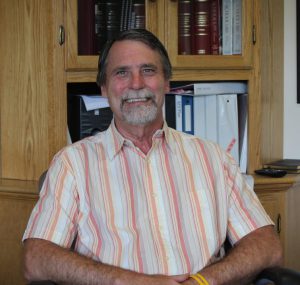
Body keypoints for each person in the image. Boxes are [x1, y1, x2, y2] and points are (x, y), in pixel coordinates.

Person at [23, 29, 282, 285]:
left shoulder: (214, 158)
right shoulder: (72, 164)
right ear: (104, 88)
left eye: (148, 70)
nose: (136, 84)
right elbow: (36, 259)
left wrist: (204, 281)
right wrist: (128, 281)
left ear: (167, 82)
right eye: (121, 72)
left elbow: (267, 245)